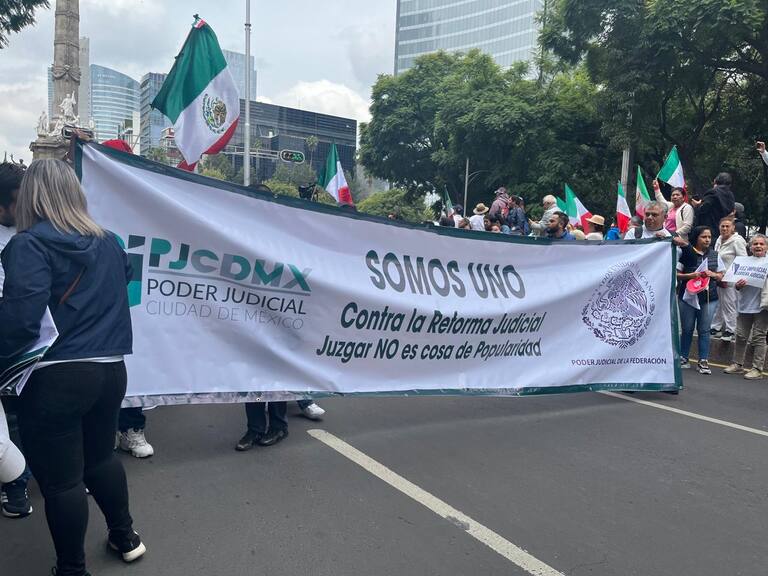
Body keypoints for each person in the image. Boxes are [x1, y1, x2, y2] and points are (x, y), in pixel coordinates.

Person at [0, 159, 145, 574]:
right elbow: (124, 276)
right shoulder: (110, 241)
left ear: (30, 197)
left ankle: (72, 568)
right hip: (111, 369)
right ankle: (125, 535)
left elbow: (21, 322)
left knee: (62, 481)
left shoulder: (28, 246)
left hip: (56, 377)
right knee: (100, 458)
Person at [0, 160, 33, 519]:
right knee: (9, 421)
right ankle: (16, 485)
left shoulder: (31, 231)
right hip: (10, 342)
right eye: (17, 202)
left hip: (38, 344)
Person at [677, 226, 726, 374]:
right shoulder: (685, 253)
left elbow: (722, 275)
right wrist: (690, 276)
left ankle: (703, 360)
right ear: (696, 238)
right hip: (687, 297)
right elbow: (677, 274)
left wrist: (713, 274)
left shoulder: (715, 255)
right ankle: (683, 358)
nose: (707, 240)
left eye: (709, 237)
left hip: (708, 298)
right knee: (686, 329)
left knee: (704, 330)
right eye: (703, 237)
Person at [724, 234, 768, 379]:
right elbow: (734, 283)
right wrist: (737, 285)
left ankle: (757, 369)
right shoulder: (743, 262)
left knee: (758, 337)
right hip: (744, 305)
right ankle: (738, 364)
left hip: (762, 306)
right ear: (750, 247)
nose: (758, 246)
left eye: (761, 244)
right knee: (741, 336)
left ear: (766, 247)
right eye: (755, 244)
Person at [711, 217, 747, 342]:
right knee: (720, 303)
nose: (725, 228)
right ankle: (716, 326)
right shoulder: (719, 240)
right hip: (718, 276)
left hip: (731, 278)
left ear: (733, 228)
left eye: (727, 226)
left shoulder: (737, 241)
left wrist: (730, 276)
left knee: (730, 304)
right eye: (722, 226)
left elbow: (742, 260)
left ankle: (730, 329)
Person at [692, 173, 735, 241]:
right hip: (723, 229)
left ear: (715, 181)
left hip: (709, 229)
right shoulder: (730, 194)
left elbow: (704, 208)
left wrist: (697, 205)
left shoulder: (713, 192)